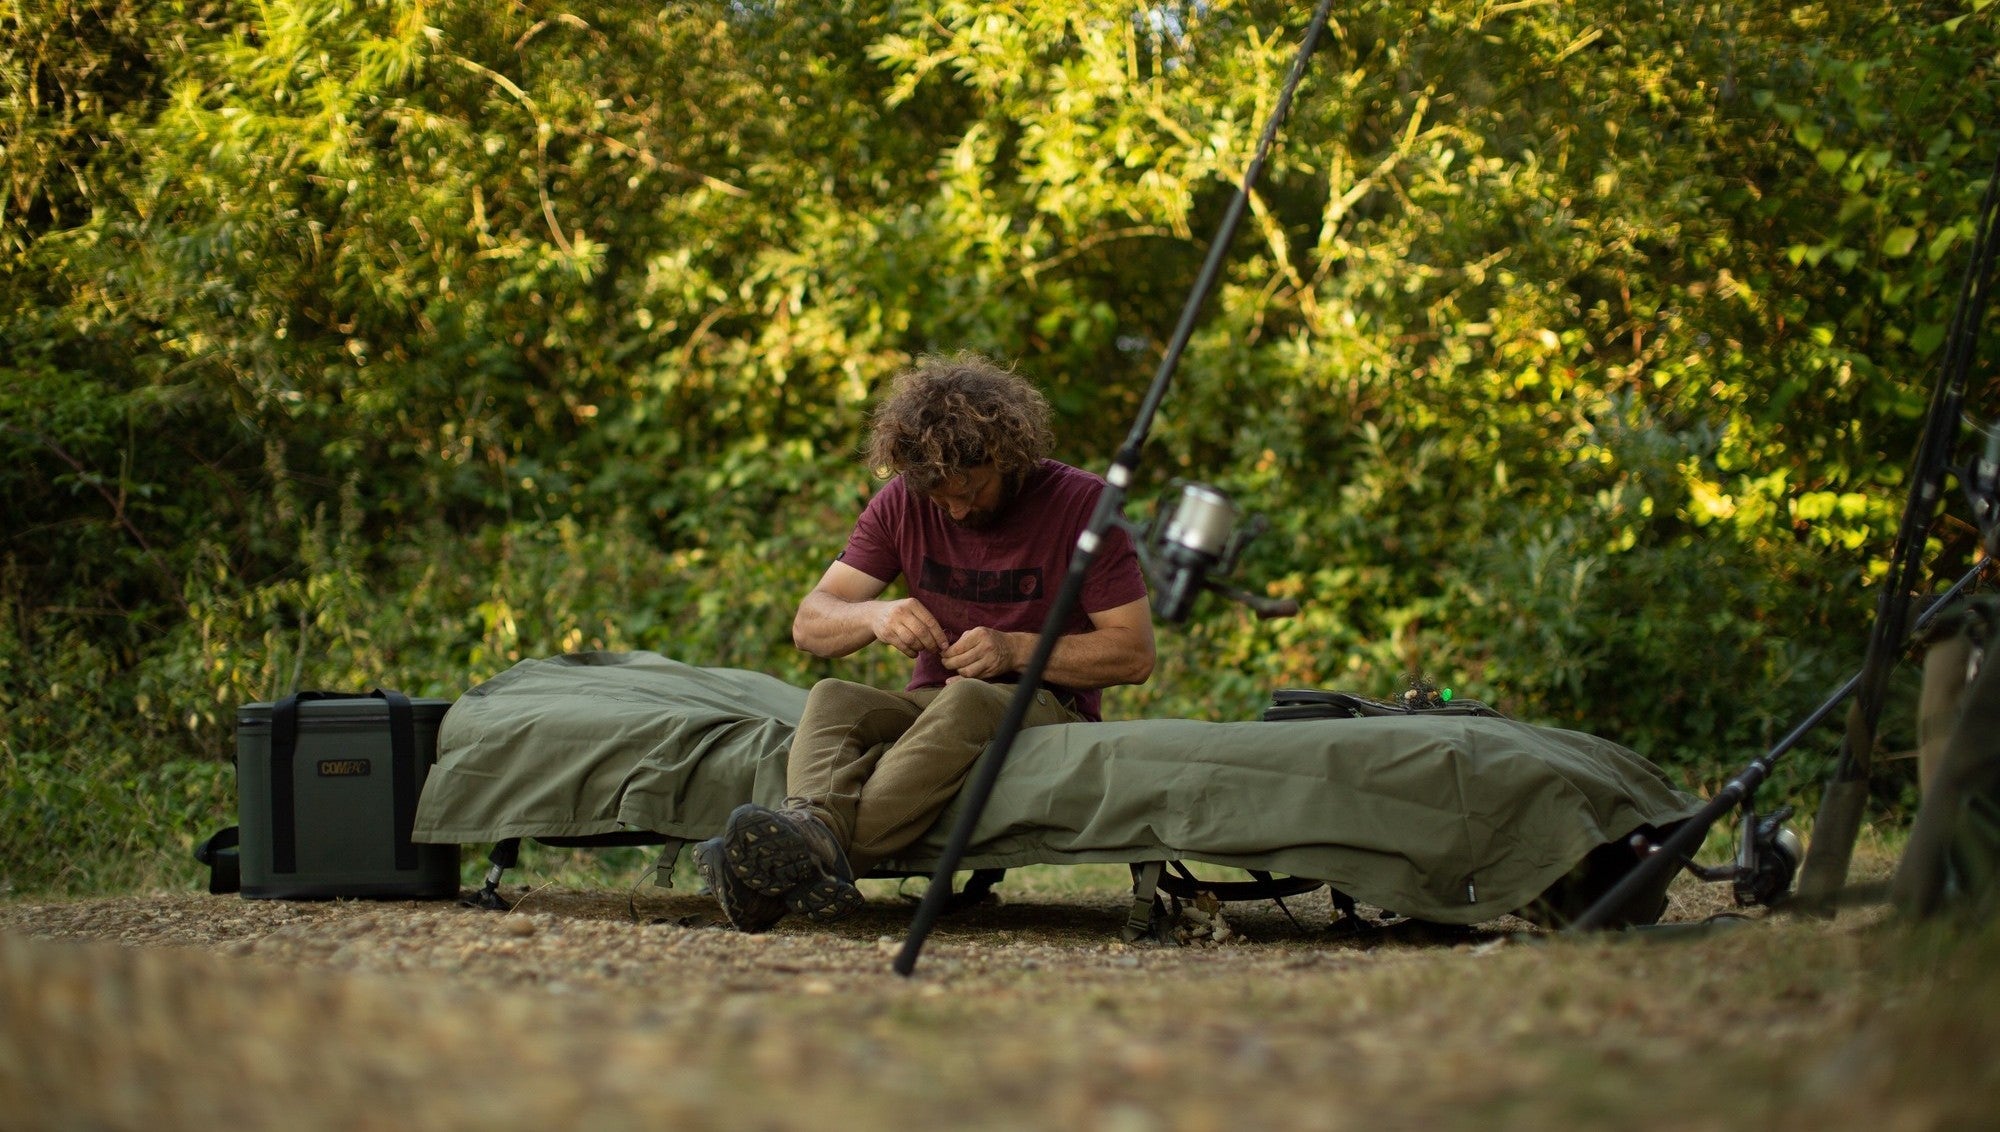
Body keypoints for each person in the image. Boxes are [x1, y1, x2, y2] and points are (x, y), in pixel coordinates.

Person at [693, 352, 1156, 932]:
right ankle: (812, 831)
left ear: (1009, 457)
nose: (957, 508)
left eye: (973, 489)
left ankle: (785, 874)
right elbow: (811, 622)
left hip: (1048, 708)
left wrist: (1015, 650)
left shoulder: (1082, 504)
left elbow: (1134, 654)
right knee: (835, 695)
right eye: (941, 497)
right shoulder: (903, 502)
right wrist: (876, 615)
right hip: (934, 704)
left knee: (966, 697)